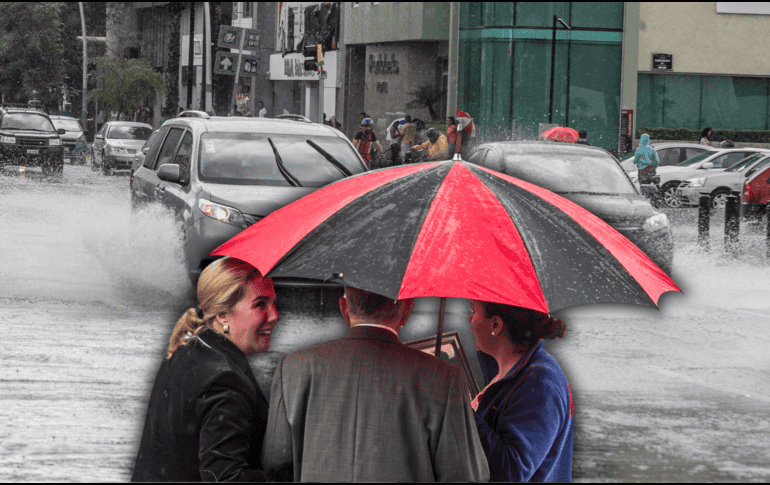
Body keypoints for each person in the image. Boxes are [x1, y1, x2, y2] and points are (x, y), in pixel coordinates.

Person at [262, 286, 490, 482]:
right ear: (407, 309)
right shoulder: (445, 378)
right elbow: (468, 475)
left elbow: (275, 463)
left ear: (344, 308)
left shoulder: (292, 368)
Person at [132, 257, 290, 482]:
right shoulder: (225, 380)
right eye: (260, 304)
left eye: (273, 302)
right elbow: (225, 478)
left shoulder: (187, 350)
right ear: (222, 315)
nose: (274, 315)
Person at [468, 300, 573, 482]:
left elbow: (511, 472)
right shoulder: (513, 370)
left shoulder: (540, 384)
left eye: (473, 311)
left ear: (496, 324)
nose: (469, 318)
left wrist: (459, 411)